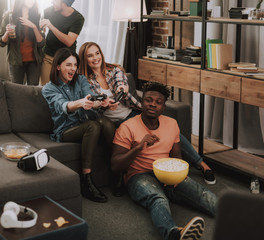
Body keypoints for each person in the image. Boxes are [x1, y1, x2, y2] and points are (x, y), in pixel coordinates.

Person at [78, 42, 216, 191]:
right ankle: (122, 176)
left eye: (97, 53)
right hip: (114, 121)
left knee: (170, 130)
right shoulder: (84, 80)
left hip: (133, 112)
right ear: (84, 59)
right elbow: (92, 101)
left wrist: (122, 89)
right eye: (90, 55)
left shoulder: (114, 70)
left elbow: (121, 83)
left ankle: (202, 165)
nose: (95, 58)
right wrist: (104, 104)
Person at [111, 82, 217, 240]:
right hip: (139, 176)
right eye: (148, 100)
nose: (153, 104)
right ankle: (174, 234)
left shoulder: (171, 124)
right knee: (158, 199)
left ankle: (239, 216)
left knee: (202, 194)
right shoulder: (127, 127)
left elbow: (177, 157)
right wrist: (139, 147)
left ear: (163, 106)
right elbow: (115, 165)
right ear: (141, 102)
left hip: (168, 174)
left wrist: (177, 176)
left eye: (158, 102)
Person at [42, 48, 116, 203]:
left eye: (75, 65)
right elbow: (63, 106)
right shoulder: (49, 88)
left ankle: (118, 171)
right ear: (58, 66)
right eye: (68, 65)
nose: (73, 69)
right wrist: (80, 103)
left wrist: (100, 102)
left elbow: (90, 98)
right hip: (65, 130)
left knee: (106, 123)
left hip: (85, 123)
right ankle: (86, 181)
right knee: (93, 126)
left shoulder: (81, 80)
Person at [0, 0, 44, 85]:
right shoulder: (9, 17)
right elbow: (1, 43)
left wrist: (34, 27)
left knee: (32, 92)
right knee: (16, 91)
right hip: (16, 61)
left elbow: (41, 43)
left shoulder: (37, 17)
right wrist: (7, 32)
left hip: (34, 61)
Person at [39, 0, 84, 85]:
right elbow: (42, 30)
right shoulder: (48, 11)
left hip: (66, 59)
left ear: (65, 3)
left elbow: (69, 41)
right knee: (46, 88)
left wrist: (51, 26)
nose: (52, 2)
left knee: (64, 89)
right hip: (48, 56)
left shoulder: (78, 18)